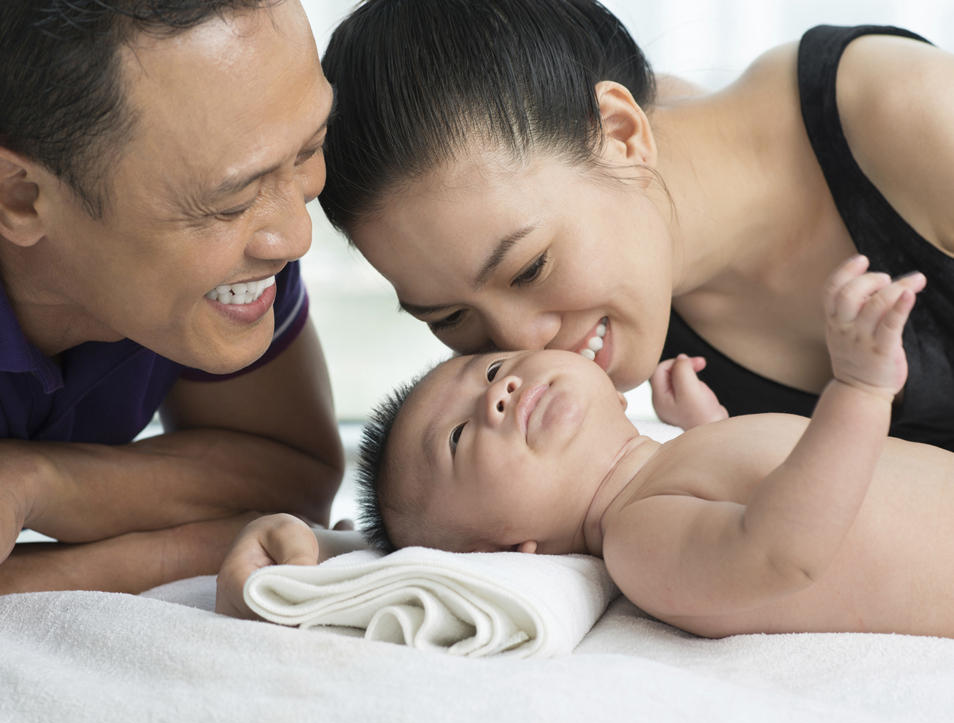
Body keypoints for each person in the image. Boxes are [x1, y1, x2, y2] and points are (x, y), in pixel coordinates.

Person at [315, 0, 954, 444]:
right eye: (449, 318)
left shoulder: (915, 117)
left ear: (621, 135)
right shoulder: (624, 244)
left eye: (531, 267)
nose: (520, 345)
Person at [0, 0, 353, 611]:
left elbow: (293, 479)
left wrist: (20, 483)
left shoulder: (240, 227)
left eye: (310, 148)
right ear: (19, 197)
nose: (294, 236)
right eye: (231, 201)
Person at [306, 258, 952, 639]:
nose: (496, 397)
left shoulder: (664, 473)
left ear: (613, 395)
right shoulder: (635, 541)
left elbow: (750, 490)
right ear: (506, 554)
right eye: (458, 437)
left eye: (497, 369)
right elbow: (777, 551)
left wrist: (709, 429)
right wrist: (859, 391)